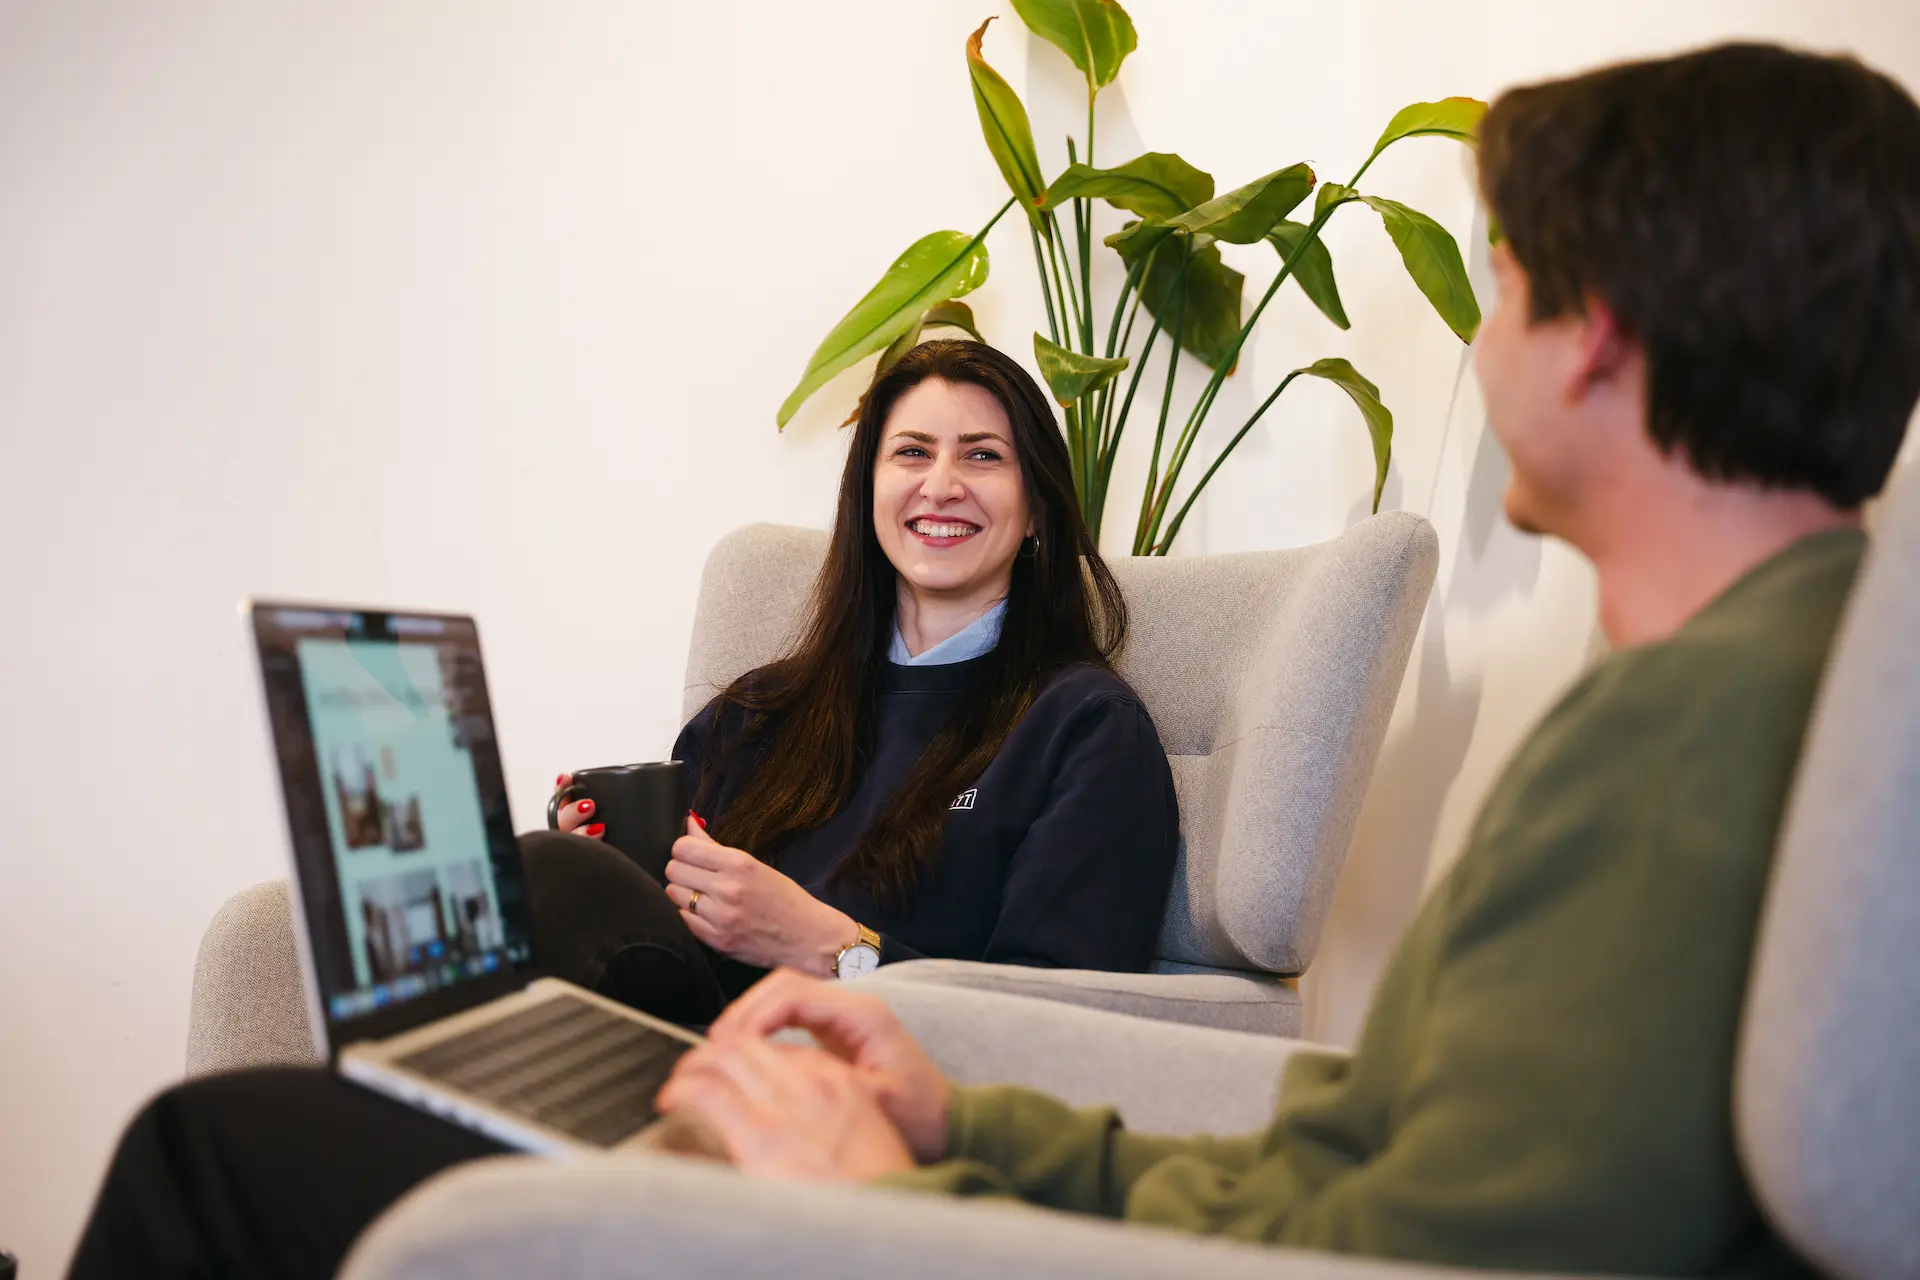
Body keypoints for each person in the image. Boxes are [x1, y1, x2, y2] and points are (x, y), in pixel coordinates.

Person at [66, 39, 1920, 1280]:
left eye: (1499, 274)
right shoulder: (1720, 708)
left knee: (215, 1153)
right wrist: (954, 1106)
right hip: (852, 1133)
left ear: (1591, 335)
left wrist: (897, 1186)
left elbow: (1420, 1250)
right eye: (908, 450)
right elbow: (1339, 1152)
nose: (1485, 325)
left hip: (902, 1222)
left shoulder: (1702, 757)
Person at [521, 336, 1179, 1024]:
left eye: (983, 455)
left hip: (873, 1090)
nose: (942, 484)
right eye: (912, 452)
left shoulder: (1085, 728)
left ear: (1039, 505)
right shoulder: (755, 714)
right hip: (684, 1054)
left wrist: (827, 946)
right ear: (869, 490)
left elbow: (1062, 1026)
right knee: (545, 876)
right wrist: (616, 865)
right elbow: (658, 934)